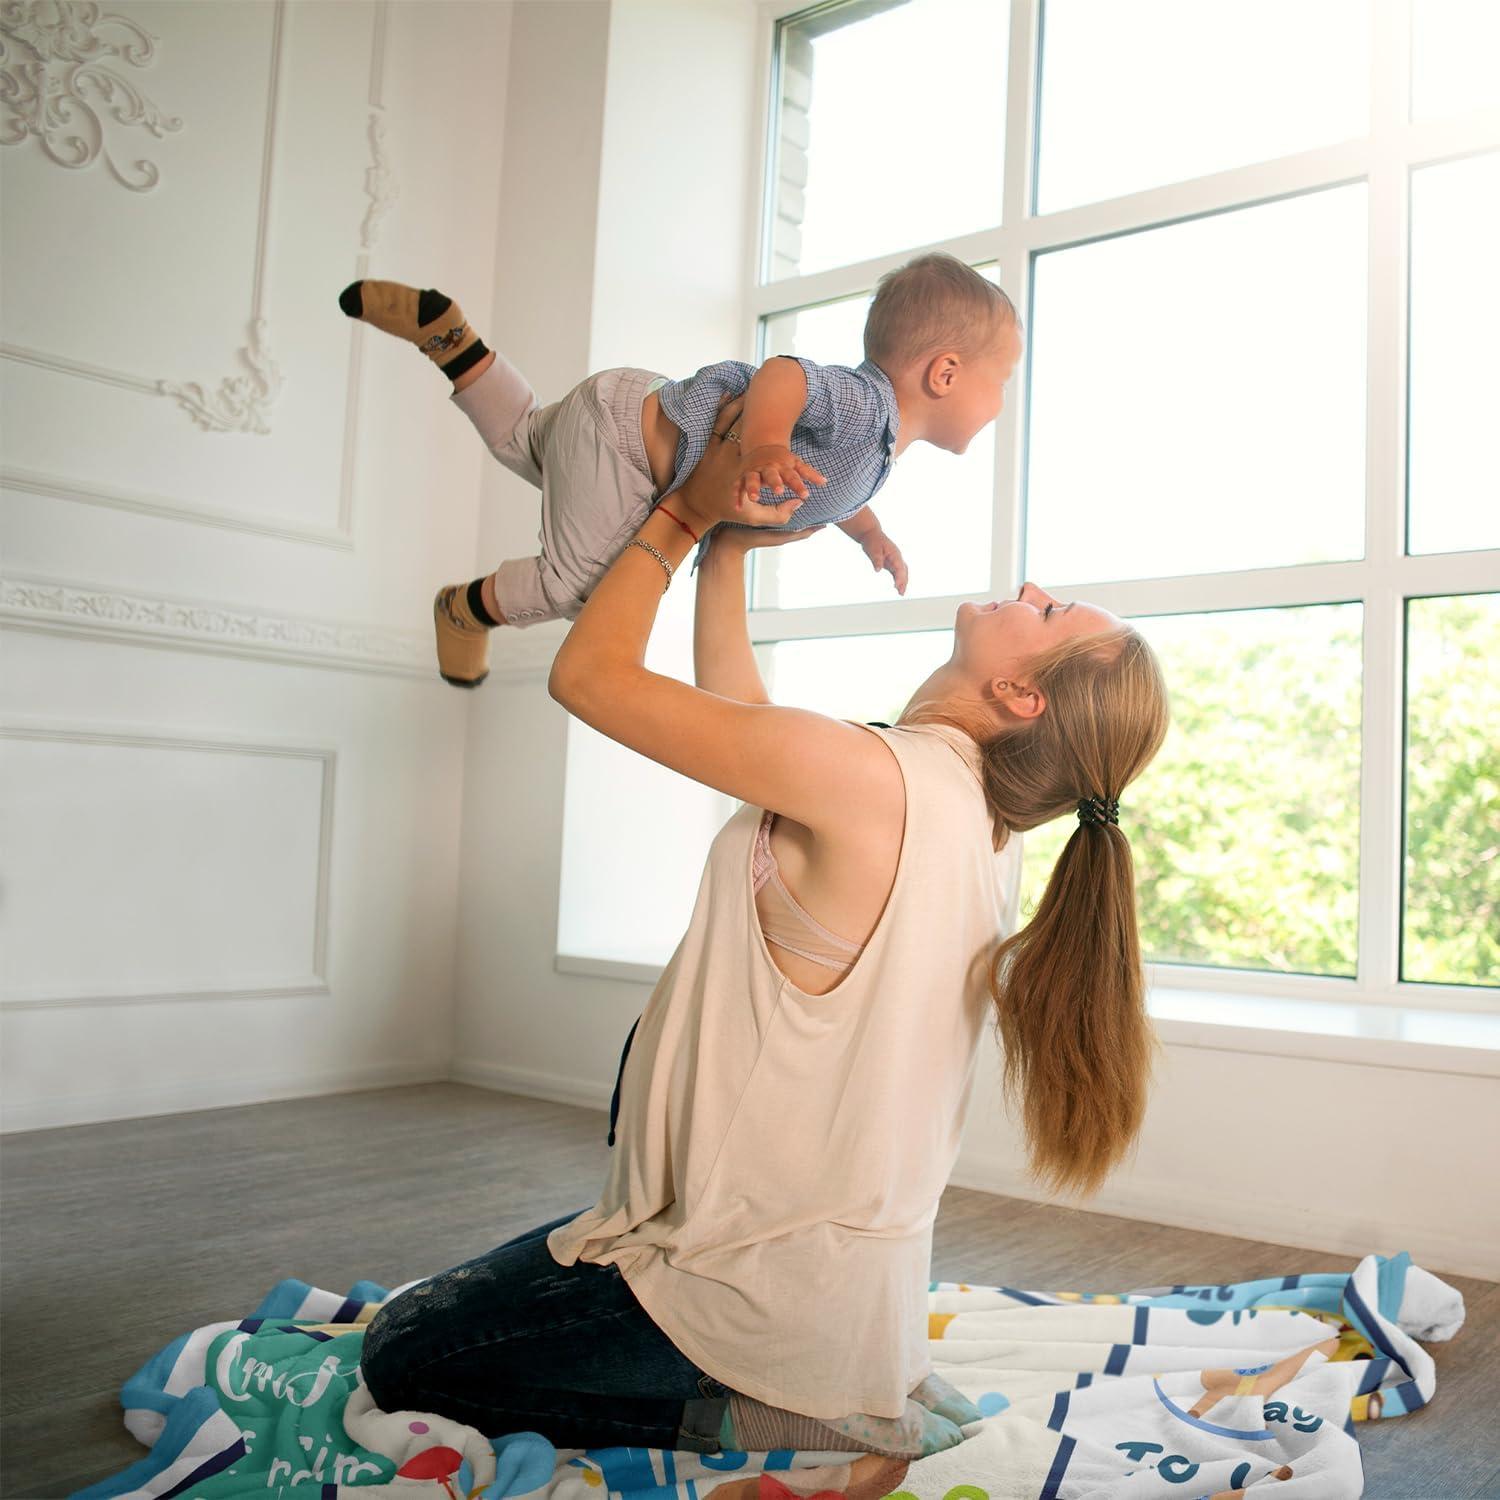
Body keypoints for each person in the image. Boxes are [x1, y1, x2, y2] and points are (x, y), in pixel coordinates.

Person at [356, 399, 1171, 1457]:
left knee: (405, 1354)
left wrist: (684, 515)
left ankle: (779, 1411)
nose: (1027, 590)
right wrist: (736, 540)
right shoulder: (965, 810)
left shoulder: (880, 781)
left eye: (1051, 611)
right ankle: (840, 1378)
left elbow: (587, 678)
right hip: (822, 1292)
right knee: (465, 1300)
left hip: (748, 1304)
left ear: (1021, 692)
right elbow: (739, 708)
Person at [337, 252, 1021, 686]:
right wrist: (762, 447)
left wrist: (869, 534)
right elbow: (784, 375)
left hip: (624, 416)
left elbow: (834, 489)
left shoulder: (874, 453)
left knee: (526, 439)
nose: (1003, 398)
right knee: (581, 588)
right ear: (946, 372)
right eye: (1003, 379)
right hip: (632, 453)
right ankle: (465, 609)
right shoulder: (865, 405)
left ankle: (454, 342)